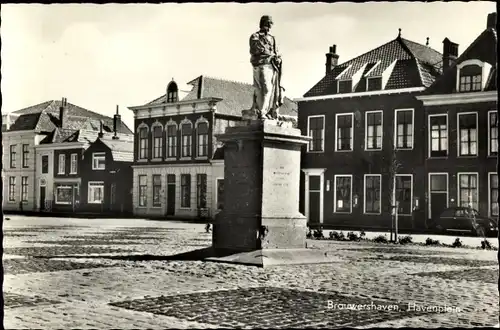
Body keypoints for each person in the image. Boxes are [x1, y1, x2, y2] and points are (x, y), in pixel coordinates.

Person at [249, 15, 284, 119]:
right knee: (259, 88)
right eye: (267, 24)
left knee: (268, 88)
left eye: (270, 25)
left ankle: (264, 111)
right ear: (263, 23)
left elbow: (275, 52)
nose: (269, 27)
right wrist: (267, 52)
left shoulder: (272, 39)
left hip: (269, 65)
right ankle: (260, 111)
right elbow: (255, 49)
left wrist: (277, 58)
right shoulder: (255, 36)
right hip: (258, 64)